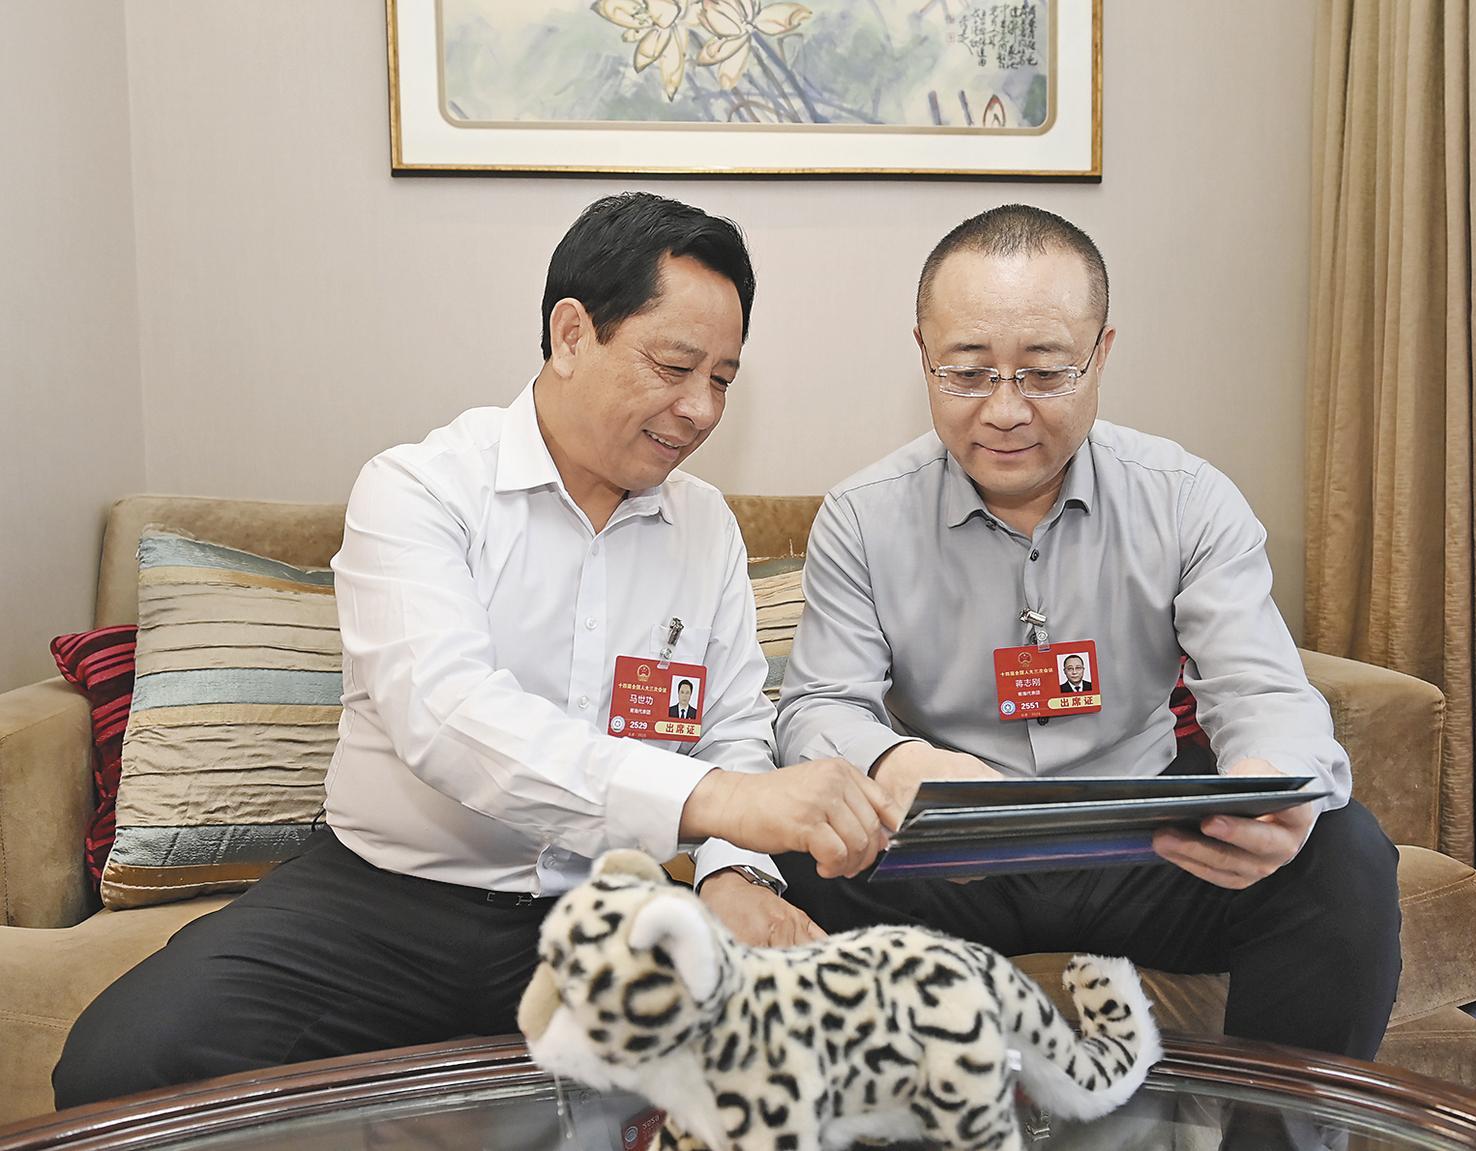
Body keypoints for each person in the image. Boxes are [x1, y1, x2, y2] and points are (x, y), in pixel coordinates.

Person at [54, 193, 895, 1107]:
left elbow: (731, 725)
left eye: (723, 380)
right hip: (387, 898)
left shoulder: (705, 529)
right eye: (674, 366)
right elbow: (449, 718)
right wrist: (723, 801)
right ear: (571, 334)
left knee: (819, 1054)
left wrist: (733, 871)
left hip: (604, 905)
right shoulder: (420, 490)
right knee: (122, 1063)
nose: (699, 409)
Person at [774, 205, 1401, 1060]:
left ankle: (1275, 1125)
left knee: (1342, 853)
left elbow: (1260, 688)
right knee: (790, 854)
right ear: (923, 356)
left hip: (1145, 845)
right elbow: (817, 704)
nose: (1004, 410)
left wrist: (1270, 785)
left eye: (1044, 373)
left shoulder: (1186, 498)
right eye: (967, 372)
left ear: (1102, 355)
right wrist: (897, 762)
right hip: (949, 852)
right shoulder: (862, 516)